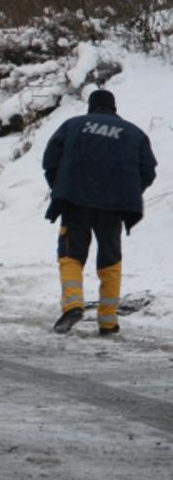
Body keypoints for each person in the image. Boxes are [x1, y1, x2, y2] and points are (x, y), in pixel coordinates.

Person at [42, 89, 157, 336]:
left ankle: (73, 304)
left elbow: (50, 161)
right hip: (114, 207)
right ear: (114, 107)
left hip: (76, 203)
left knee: (71, 255)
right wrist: (127, 192)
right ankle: (107, 321)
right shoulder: (134, 133)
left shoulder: (73, 126)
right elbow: (148, 170)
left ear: (91, 106)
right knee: (110, 260)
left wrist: (62, 187)